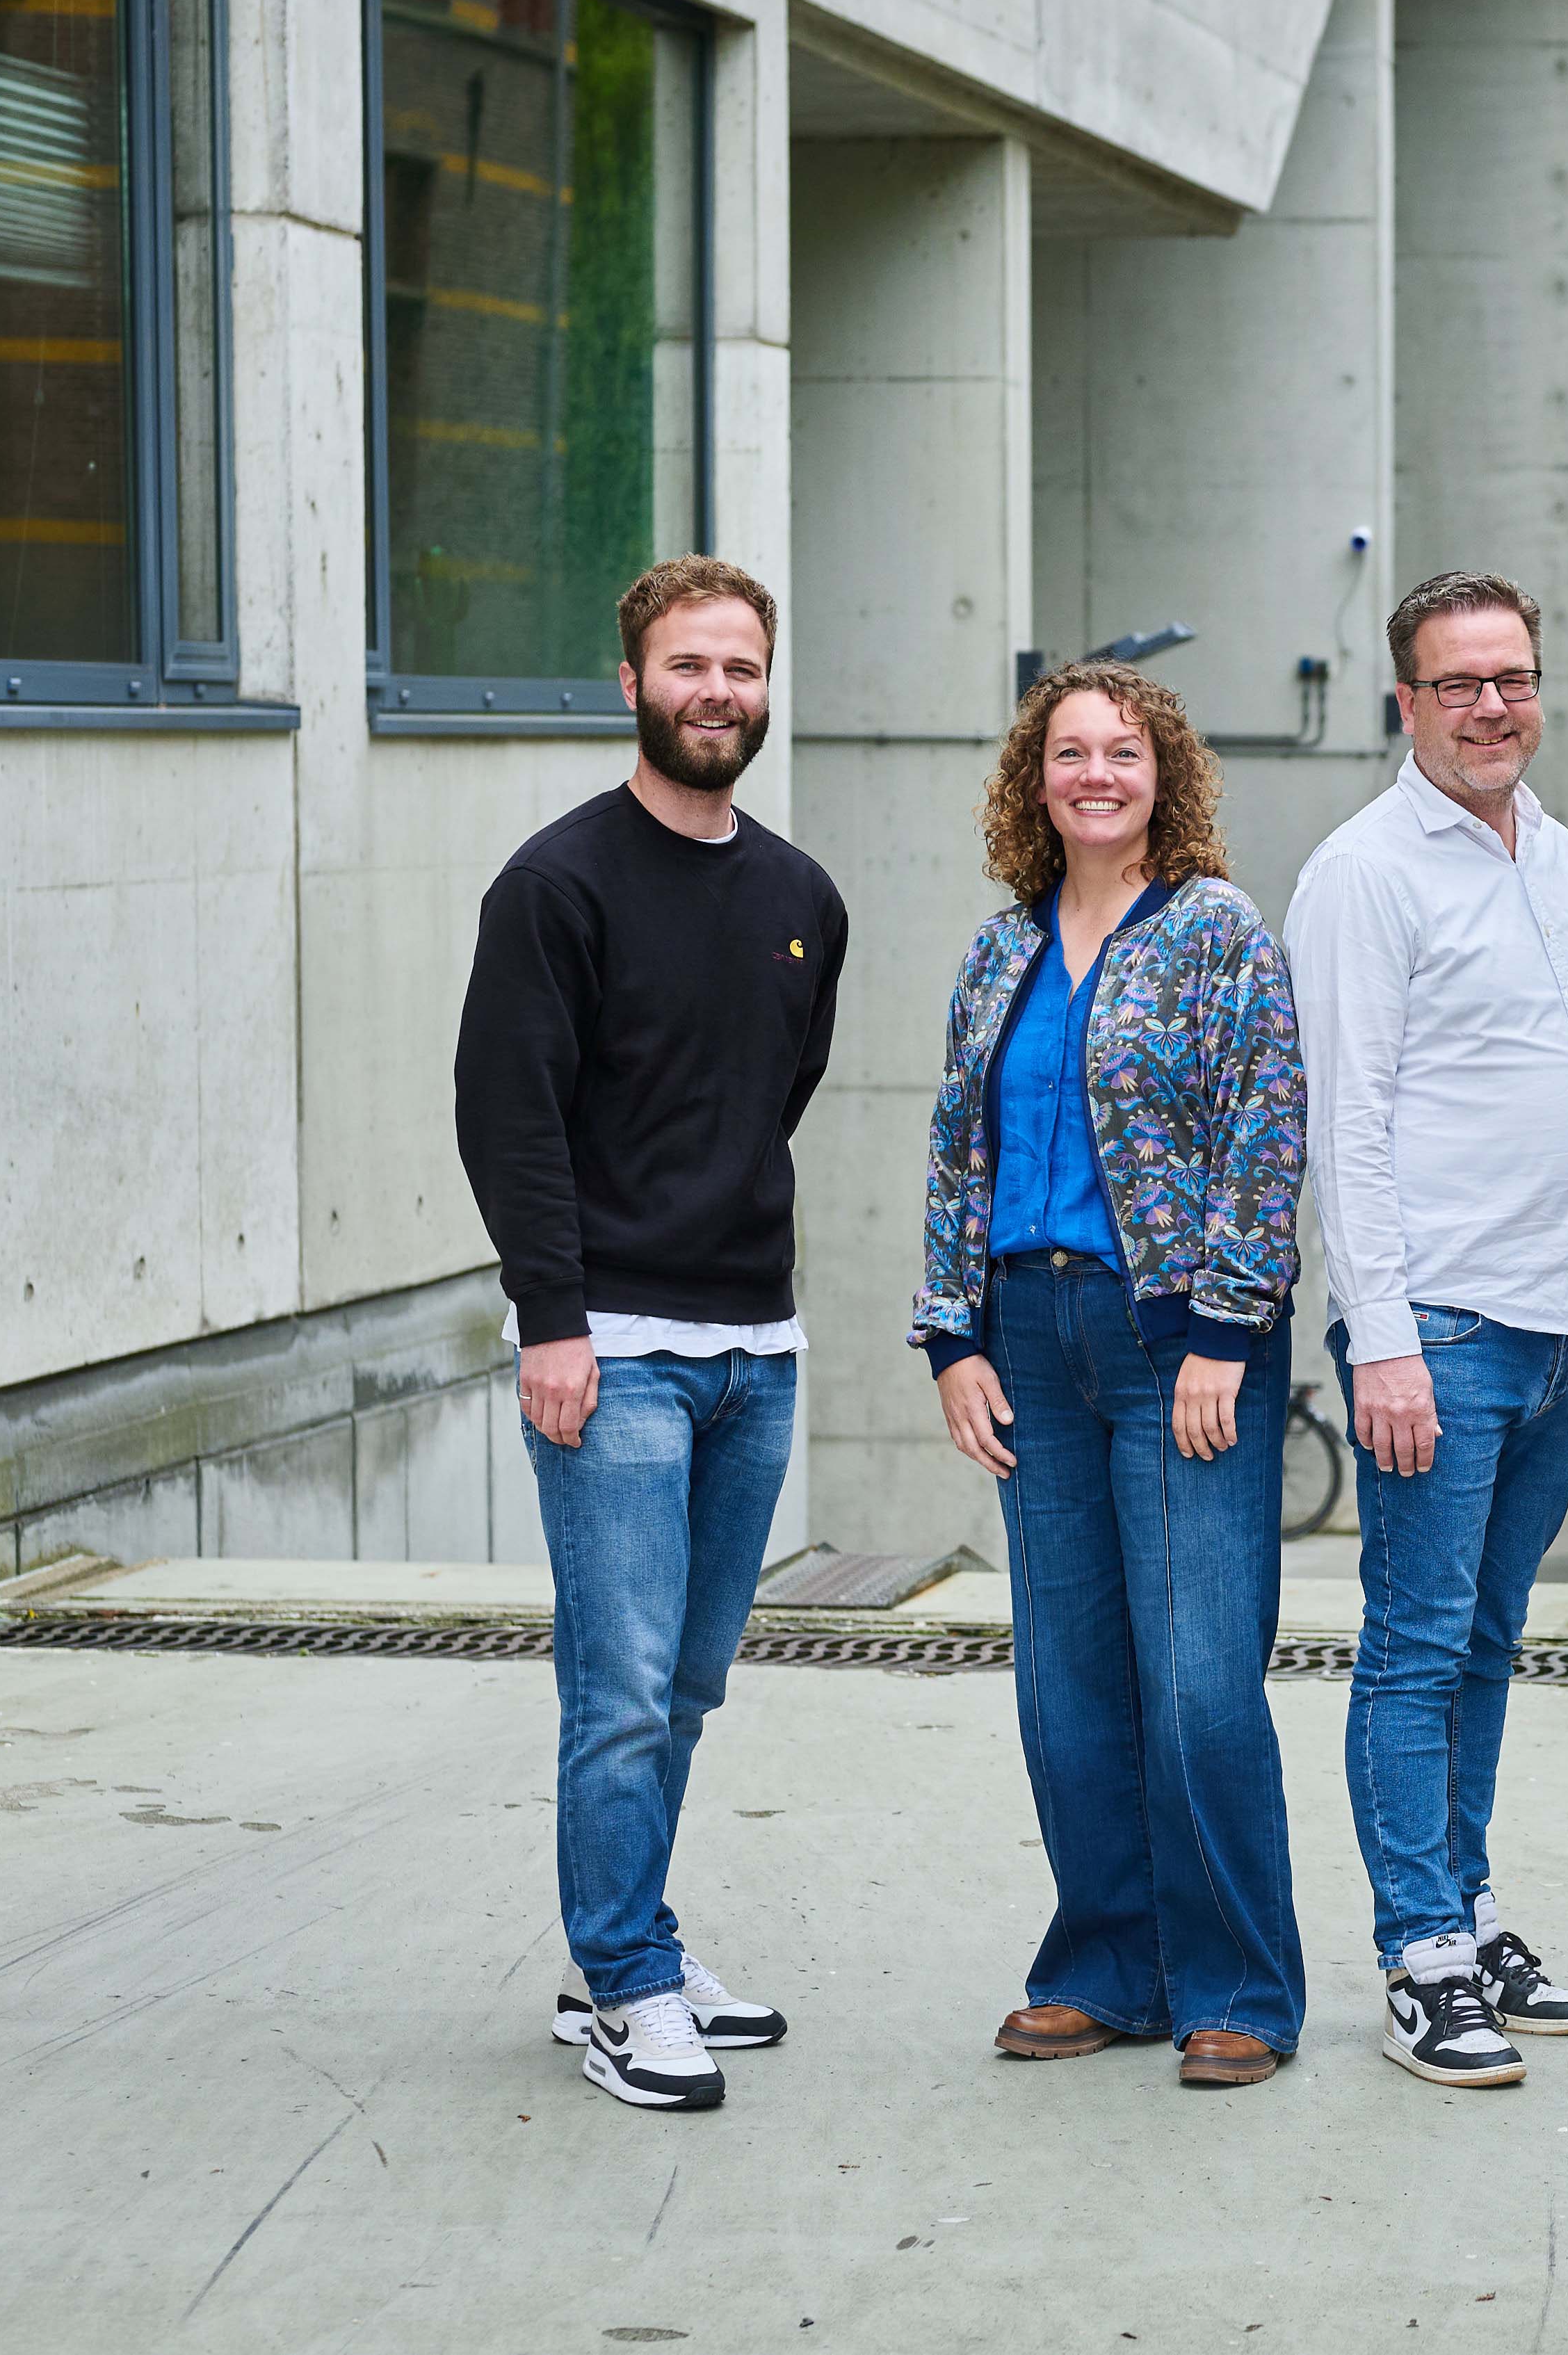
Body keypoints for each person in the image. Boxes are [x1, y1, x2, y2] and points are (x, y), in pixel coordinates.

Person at [453, 556, 845, 2113]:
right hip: (607, 1347)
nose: (717, 694)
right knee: (615, 1690)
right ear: (632, 684)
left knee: (683, 1690)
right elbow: (509, 1119)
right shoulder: (555, 886)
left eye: (741, 669)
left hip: (756, 1348)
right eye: (689, 666)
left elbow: (774, 1097)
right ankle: (624, 1988)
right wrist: (551, 1316)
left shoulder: (802, 897)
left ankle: (623, 1944)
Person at [1281, 571, 1568, 2090]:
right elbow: (1345, 1128)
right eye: (1460, 685)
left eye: (1511, 677)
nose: (1493, 705)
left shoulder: (1553, 852)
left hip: (1560, 1314)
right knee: (1417, 1644)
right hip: (1434, 1324)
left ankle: (1468, 1904)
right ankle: (1419, 1954)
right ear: (1406, 705)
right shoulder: (1362, 873)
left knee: (1490, 1642)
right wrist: (1379, 1340)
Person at [912, 660, 1312, 2087]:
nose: (1095, 774)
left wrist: (1223, 1329)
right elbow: (956, 1154)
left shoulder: (1215, 934)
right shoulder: (996, 949)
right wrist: (951, 1340)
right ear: (1035, 781)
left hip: (1174, 1348)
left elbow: (1267, 1142)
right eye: (1068, 753)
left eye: (1121, 752)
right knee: (1067, 1682)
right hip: (1028, 1338)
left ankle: (1240, 1988)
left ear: (1164, 777)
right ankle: (1106, 1969)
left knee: (1199, 1680)